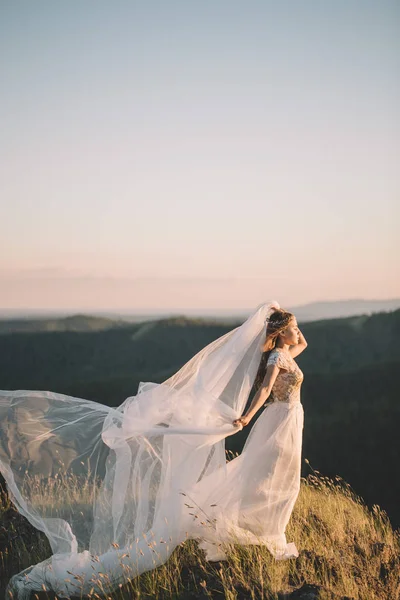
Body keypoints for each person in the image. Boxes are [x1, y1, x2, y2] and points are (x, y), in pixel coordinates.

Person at [0, 300, 307, 598]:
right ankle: (269, 533)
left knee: (281, 476)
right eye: (293, 328)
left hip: (289, 418)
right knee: (276, 475)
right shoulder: (275, 360)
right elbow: (265, 389)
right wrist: (247, 417)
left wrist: (281, 318)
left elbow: (302, 345)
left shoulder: (286, 354)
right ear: (280, 334)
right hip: (278, 419)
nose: (297, 333)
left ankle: (269, 531)